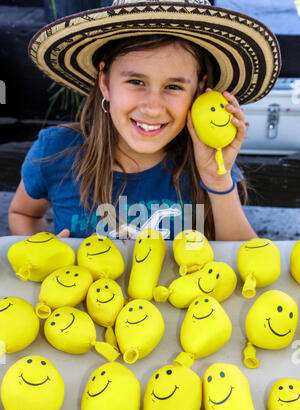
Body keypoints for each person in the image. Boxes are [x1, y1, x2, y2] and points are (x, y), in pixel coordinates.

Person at [8, 0, 281, 241]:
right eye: (136, 81)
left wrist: (217, 179)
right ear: (105, 82)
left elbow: (243, 259)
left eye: (174, 86)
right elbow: (23, 213)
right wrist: (45, 255)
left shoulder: (211, 163)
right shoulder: (56, 151)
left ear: (200, 90)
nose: (152, 108)